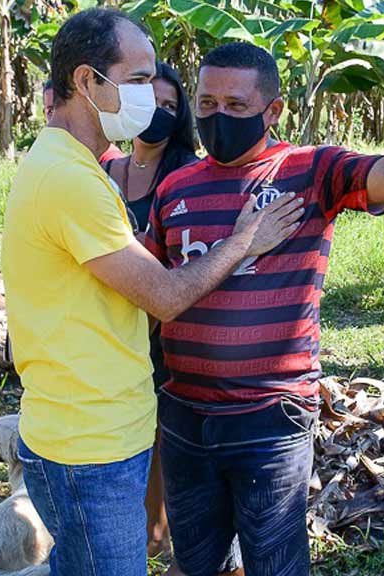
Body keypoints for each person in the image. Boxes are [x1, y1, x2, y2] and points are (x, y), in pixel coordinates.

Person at [144, 41, 384, 576]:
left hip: (268, 417)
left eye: (236, 106)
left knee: (275, 563)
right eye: (207, 104)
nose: (218, 117)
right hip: (186, 414)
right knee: (196, 560)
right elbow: (150, 289)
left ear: (273, 110)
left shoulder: (309, 171)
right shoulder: (175, 186)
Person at [2, 8, 304, 576]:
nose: (150, 96)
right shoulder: (71, 179)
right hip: (89, 445)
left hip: (80, 428)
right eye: (138, 81)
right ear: (89, 81)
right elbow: (164, 297)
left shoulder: (67, 164)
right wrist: (243, 241)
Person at [103, 60, 242, 572]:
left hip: (169, 326)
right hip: (116, 326)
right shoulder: (107, 170)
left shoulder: (186, 172)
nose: (156, 115)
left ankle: (156, 531)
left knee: (163, 429)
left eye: (168, 106)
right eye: (148, 102)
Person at [47, 77, 125, 163]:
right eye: (50, 111)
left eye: (61, 109)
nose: (55, 117)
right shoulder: (47, 154)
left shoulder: (110, 159)